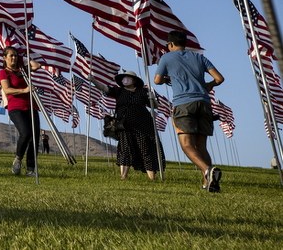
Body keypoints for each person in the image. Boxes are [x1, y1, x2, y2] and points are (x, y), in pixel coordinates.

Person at [154, 30, 225, 192]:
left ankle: (208, 171)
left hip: (183, 103)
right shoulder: (199, 57)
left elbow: (157, 80)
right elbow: (219, 78)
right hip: (204, 103)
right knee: (201, 146)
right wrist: (209, 85)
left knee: (186, 145)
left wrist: (167, 78)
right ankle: (209, 184)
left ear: (171, 44)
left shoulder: (166, 58)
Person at [91, 71, 164, 180]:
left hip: (143, 125)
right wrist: (93, 80)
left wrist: (152, 98)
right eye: (124, 78)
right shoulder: (119, 91)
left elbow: (155, 106)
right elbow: (104, 88)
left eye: (128, 78)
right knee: (125, 149)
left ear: (134, 80)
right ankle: (123, 176)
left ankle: (152, 178)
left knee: (146, 149)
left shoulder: (143, 92)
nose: (125, 80)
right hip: (124, 125)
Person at [0, 46, 41, 176]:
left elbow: (37, 65)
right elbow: (7, 89)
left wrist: (22, 58)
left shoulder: (23, 70)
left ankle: (31, 169)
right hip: (16, 108)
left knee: (35, 137)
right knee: (26, 132)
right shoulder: (4, 72)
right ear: (4, 58)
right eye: (11, 55)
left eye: (15, 55)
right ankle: (18, 159)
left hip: (31, 106)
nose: (14, 58)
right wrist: (24, 90)